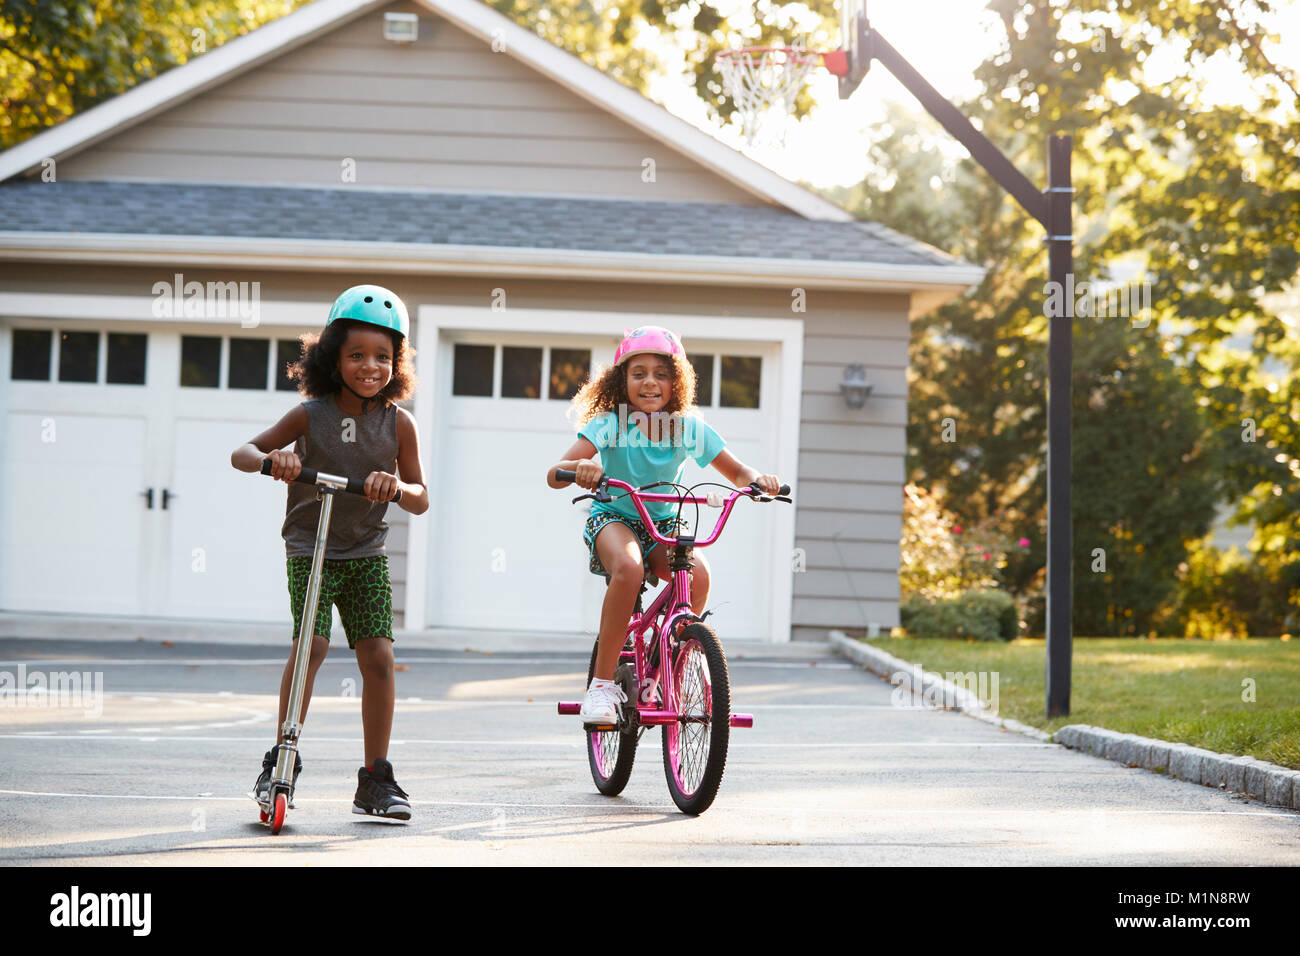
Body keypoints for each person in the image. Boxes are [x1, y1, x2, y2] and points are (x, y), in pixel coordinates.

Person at [230, 284, 428, 820]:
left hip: (365, 551)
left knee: (379, 658)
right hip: (310, 549)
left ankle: (376, 779)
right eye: (357, 355)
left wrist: (395, 486)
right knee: (312, 646)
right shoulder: (309, 415)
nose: (370, 366)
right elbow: (242, 453)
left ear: (397, 362)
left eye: (383, 356)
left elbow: (421, 497)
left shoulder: (398, 424)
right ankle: (282, 762)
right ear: (332, 359)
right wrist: (278, 461)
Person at [547, 326, 781, 723]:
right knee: (628, 567)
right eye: (638, 373)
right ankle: (601, 687)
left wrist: (758, 480)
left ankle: (669, 655)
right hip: (614, 517)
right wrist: (582, 467)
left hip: (664, 521)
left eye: (661, 373)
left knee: (699, 573)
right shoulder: (610, 424)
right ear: (622, 381)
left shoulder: (688, 428)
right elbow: (556, 473)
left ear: (677, 381)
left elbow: (738, 471)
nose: (650, 382)